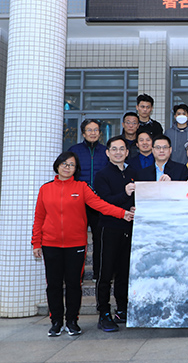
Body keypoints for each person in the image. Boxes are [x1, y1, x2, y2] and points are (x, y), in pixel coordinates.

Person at [32, 152, 134, 337]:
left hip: (75, 244)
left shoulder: (82, 187)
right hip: (50, 244)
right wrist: (36, 242)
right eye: (64, 164)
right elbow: (39, 217)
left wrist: (122, 213)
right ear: (57, 166)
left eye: (71, 165)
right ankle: (56, 322)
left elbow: (100, 204)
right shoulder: (45, 189)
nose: (67, 167)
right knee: (53, 285)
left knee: (74, 284)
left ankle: (72, 321)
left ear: (76, 169)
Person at [93, 136, 136, 333]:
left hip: (128, 229)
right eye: (114, 149)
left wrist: (134, 207)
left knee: (124, 272)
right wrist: (125, 194)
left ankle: (122, 309)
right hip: (108, 228)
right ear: (107, 152)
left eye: (122, 149)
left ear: (127, 152)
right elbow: (104, 202)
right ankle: (103, 312)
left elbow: (135, 199)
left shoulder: (132, 173)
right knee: (105, 273)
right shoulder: (102, 175)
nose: (118, 152)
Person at [68, 118, 109, 281]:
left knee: (99, 240)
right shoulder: (74, 151)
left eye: (96, 130)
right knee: (77, 240)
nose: (93, 133)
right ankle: (77, 274)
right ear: (83, 133)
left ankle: (98, 274)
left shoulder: (106, 151)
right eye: (89, 130)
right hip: (78, 202)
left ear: (100, 133)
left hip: (99, 202)